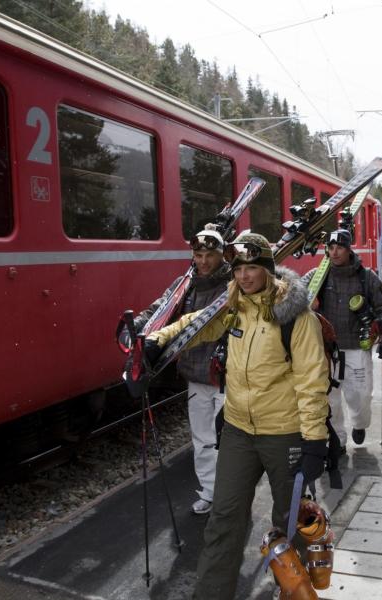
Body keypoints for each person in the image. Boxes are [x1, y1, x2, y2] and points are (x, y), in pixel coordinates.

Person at [145, 232, 330, 599]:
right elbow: (195, 324)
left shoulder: (296, 317)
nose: (244, 276)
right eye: (239, 269)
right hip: (239, 433)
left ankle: (295, 593)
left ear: (267, 270)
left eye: (252, 268)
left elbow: (312, 381)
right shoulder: (232, 308)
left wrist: (315, 441)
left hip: (285, 434)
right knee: (223, 521)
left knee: (288, 525)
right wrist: (158, 339)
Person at [131, 228, 231, 515]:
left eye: (209, 255)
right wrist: (138, 328)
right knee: (201, 440)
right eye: (198, 255)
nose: (203, 261)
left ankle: (231, 498)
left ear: (221, 254)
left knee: (228, 443)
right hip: (195, 375)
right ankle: (210, 493)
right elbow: (160, 308)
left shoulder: (233, 284)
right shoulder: (184, 284)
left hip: (228, 377)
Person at [303, 228, 382, 448]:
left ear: (349, 248)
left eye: (340, 248)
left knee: (361, 398)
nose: (334, 253)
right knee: (329, 400)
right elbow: (293, 293)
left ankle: (359, 424)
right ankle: (337, 442)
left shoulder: (367, 277)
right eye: (330, 248)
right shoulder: (317, 275)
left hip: (357, 347)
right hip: (326, 350)